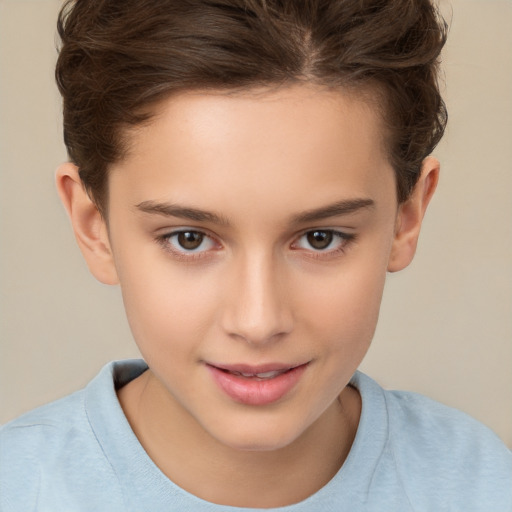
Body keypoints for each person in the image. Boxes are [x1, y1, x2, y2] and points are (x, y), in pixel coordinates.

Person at [1, 0, 510, 510]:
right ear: (95, 227)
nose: (258, 322)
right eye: (189, 239)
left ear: (407, 217)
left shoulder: (484, 487)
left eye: (320, 238)